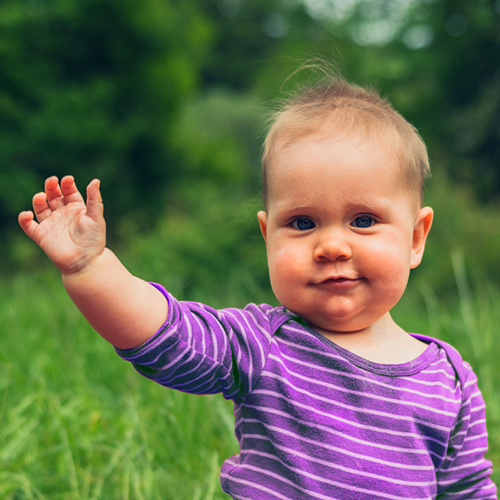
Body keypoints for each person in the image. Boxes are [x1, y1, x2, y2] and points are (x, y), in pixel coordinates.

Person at [18, 75, 497, 499]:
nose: (331, 245)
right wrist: (90, 267)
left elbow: (467, 490)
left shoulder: (450, 381)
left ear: (415, 237)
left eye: (364, 220)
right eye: (303, 222)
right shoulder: (262, 344)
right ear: (269, 237)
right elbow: (165, 336)